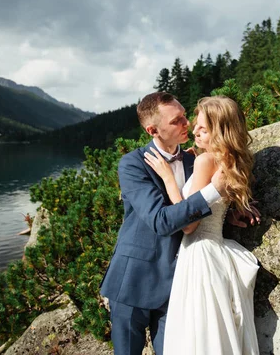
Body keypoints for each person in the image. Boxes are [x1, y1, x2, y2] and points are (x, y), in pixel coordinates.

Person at [99, 92, 258, 355]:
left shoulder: (194, 159)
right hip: (134, 282)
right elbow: (161, 221)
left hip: (180, 282)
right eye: (177, 121)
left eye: (185, 115)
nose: (187, 123)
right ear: (153, 129)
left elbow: (205, 202)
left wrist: (232, 209)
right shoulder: (133, 164)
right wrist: (212, 193)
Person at [144, 96, 260, 354]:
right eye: (195, 124)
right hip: (217, 250)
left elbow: (189, 226)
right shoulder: (232, 161)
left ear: (220, 132)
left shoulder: (205, 161)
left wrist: (168, 179)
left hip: (198, 254)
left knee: (196, 334)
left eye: (203, 128)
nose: (193, 129)